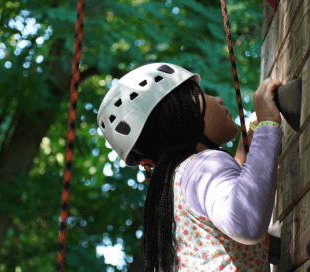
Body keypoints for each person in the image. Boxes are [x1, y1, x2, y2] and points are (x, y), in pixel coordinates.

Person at [97, 63, 283, 271]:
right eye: (202, 95)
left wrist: (253, 139)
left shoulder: (172, 190)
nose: (218, 99)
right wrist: (268, 126)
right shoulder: (203, 165)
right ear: (181, 115)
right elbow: (245, 221)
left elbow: (224, 216)